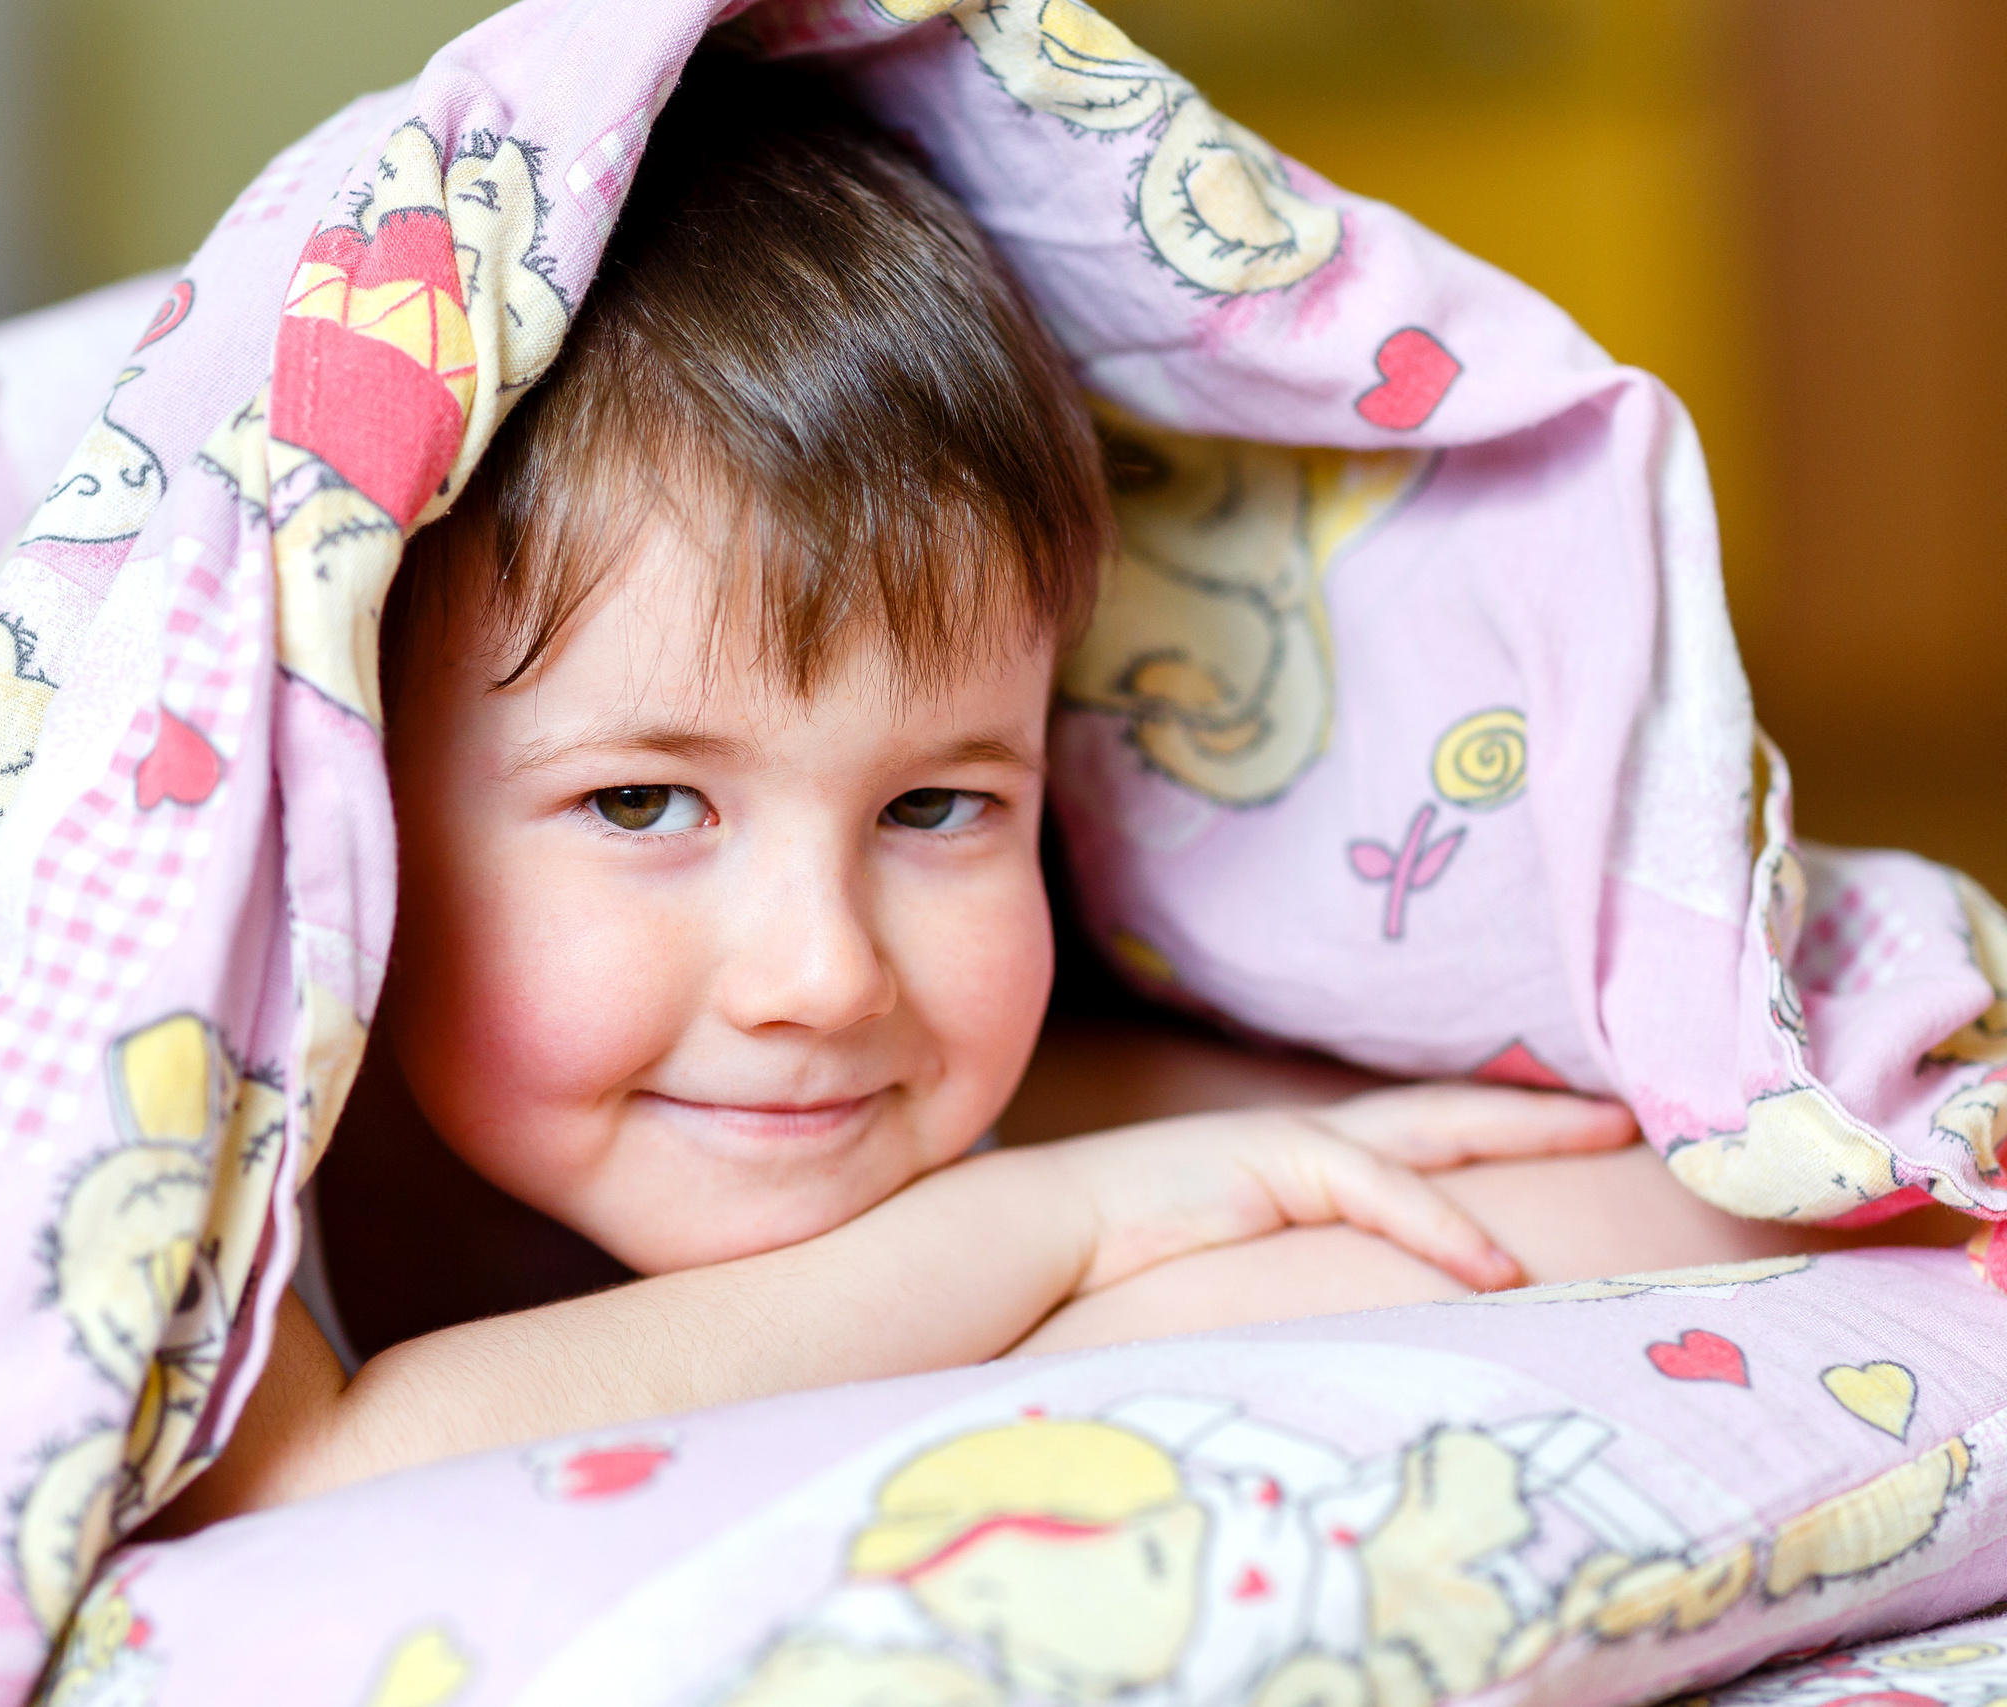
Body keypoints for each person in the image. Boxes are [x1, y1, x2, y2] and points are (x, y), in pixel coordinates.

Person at [153, 50, 1960, 1530]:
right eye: (643, 806)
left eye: (935, 808)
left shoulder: (968, 1096)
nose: (825, 978)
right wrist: (1043, 1239)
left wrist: (1111, 1252)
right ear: (349, 797)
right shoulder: (207, 1131)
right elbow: (306, 1477)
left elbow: (1758, 1204)